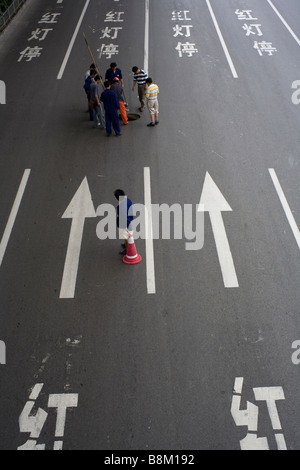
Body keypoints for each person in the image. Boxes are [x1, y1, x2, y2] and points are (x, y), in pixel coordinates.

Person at [114, 189, 134, 255]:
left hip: (124, 225)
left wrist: (127, 227)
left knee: (126, 237)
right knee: (125, 237)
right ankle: (125, 245)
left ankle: (127, 249)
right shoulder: (128, 200)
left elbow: (124, 218)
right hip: (129, 221)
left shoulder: (121, 207)